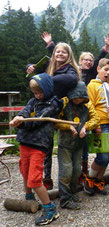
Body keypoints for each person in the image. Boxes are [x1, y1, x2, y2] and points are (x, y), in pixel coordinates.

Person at [26, 32, 81, 190]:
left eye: (64, 52)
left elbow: (71, 79)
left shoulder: (70, 70)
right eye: (58, 51)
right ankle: (46, 177)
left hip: (62, 110)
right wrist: (28, 67)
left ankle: (70, 181)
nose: (60, 54)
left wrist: (46, 80)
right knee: (46, 145)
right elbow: (33, 68)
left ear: (69, 56)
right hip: (44, 108)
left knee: (66, 146)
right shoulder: (48, 66)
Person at [9, 73, 62, 225]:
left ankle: (50, 208)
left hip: (39, 145)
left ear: (48, 89)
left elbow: (38, 120)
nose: (38, 96)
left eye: (40, 92)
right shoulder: (33, 100)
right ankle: (29, 199)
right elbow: (26, 110)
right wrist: (19, 116)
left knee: (34, 179)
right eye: (35, 93)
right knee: (25, 171)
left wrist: (22, 122)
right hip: (25, 142)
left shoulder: (53, 103)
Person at [55, 82, 100, 209]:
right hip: (65, 143)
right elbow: (55, 121)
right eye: (75, 97)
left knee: (76, 170)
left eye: (80, 97)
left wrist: (86, 126)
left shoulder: (87, 104)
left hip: (79, 144)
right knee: (66, 171)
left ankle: (71, 193)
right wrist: (68, 126)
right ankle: (64, 199)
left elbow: (96, 119)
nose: (78, 100)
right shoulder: (63, 102)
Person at [77, 33, 109, 179]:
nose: (88, 62)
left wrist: (106, 47)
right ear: (80, 61)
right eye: (85, 59)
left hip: (90, 113)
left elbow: (101, 62)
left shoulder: (93, 73)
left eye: (90, 60)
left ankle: (87, 173)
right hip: (79, 111)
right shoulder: (75, 72)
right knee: (80, 144)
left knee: (87, 145)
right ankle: (85, 176)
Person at [84, 58, 109, 195]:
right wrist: (96, 125)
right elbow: (90, 106)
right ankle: (90, 179)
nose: (108, 73)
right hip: (101, 124)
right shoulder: (92, 85)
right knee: (102, 157)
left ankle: (98, 180)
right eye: (105, 70)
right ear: (98, 69)